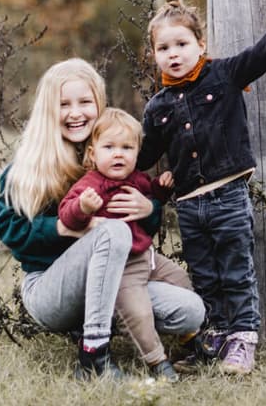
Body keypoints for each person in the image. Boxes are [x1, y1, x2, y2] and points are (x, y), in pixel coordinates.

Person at [137, 0, 266, 375]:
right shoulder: (156, 107)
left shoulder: (224, 75)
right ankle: (214, 338)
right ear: (153, 54)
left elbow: (265, 52)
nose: (173, 54)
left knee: (235, 270)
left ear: (200, 45)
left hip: (228, 197)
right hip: (189, 205)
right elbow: (142, 158)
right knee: (204, 275)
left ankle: (243, 341)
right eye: (163, 48)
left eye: (181, 44)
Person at [0, 58, 205, 381]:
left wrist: (150, 209)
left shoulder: (111, 152)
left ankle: (140, 332)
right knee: (113, 231)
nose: (75, 112)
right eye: (64, 104)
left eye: (85, 102)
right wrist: (63, 228)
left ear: (99, 104)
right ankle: (92, 357)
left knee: (190, 310)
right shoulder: (28, 167)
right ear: (49, 110)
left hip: (115, 281)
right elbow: (11, 231)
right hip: (51, 289)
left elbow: (136, 231)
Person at [58, 107, 201, 382]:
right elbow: (67, 214)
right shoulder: (91, 185)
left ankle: (188, 336)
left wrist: (160, 188)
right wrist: (83, 207)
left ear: (137, 153)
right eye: (109, 147)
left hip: (147, 256)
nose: (118, 154)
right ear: (93, 153)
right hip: (122, 268)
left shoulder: (135, 179)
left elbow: (150, 192)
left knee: (182, 278)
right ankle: (157, 361)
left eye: (127, 147)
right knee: (138, 313)